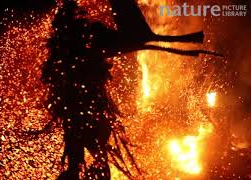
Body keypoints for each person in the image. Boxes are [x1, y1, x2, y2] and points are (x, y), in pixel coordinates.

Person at [37, 0, 220, 179]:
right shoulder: (80, 41)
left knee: (87, 159)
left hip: (81, 110)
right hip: (83, 110)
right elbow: (132, 39)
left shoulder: (71, 44)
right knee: (89, 159)